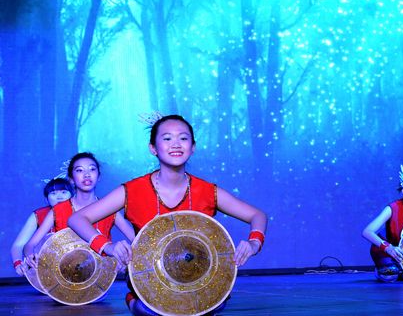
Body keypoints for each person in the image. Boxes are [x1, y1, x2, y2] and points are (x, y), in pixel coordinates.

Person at [68, 114, 267, 316]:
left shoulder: (208, 191)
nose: (176, 144)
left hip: (196, 278)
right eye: (167, 138)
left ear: (193, 147)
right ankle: (134, 301)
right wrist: (108, 247)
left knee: (214, 305)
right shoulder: (132, 190)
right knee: (151, 312)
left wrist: (254, 243)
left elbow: (257, 215)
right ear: (153, 148)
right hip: (149, 278)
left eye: (183, 138)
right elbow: (77, 219)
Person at [22, 153, 135, 269]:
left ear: (99, 176)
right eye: (80, 170)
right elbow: (30, 245)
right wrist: (30, 255)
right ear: (71, 179)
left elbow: (137, 240)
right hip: (63, 274)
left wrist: (124, 256)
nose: (87, 174)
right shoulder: (58, 210)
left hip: (99, 275)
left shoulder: (110, 210)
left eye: (92, 169)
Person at [10, 177, 73, 276]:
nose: (59, 197)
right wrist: (18, 263)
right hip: (48, 271)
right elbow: (18, 245)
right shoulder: (38, 215)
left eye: (64, 192)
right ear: (46, 199)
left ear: (72, 196)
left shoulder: (82, 213)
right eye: (53, 193)